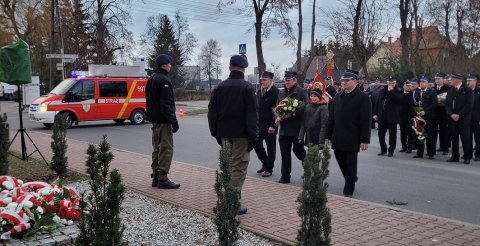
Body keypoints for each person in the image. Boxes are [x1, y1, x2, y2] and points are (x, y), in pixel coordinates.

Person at [208, 55, 259, 214]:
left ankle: (227, 197)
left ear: (230, 68)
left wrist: (215, 133)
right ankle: (232, 201)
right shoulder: (248, 87)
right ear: (243, 69)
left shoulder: (220, 87)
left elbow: (212, 112)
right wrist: (254, 136)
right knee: (239, 167)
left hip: (224, 133)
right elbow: (252, 114)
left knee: (228, 165)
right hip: (241, 134)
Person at [325, 69, 371, 198]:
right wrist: (328, 136)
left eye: (347, 80)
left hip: (353, 136)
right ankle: (351, 178)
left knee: (351, 163)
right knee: (340, 160)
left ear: (355, 81)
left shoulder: (363, 97)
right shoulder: (337, 96)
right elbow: (332, 118)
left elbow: (365, 120)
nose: (343, 82)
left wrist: (364, 140)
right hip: (338, 135)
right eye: (342, 80)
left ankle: (349, 189)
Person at [146, 54, 181, 189]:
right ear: (164, 65)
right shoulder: (164, 81)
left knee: (156, 148)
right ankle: (163, 178)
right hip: (163, 120)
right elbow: (166, 104)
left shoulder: (152, 79)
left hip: (154, 120)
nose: (171, 66)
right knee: (166, 148)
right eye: (169, 64)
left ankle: (156, 176)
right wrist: (174, 121)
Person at [275, 71, 309, 184]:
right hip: (284, 128)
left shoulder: (302, 91)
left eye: (288, 80)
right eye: (285, 80)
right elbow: (277, 106)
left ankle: (309, 167)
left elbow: (304, 106)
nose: (286, 82)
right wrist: (278, 116)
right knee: (284, 153)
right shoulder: (281, 92)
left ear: (295, 80)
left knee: (298, 150)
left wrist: (292, 114)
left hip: (296, 127)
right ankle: (285, 176)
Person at [254, 71, 279, 177]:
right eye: (261, 80)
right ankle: (265, 163)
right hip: (260, 124)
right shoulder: (260, 91)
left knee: (271, 148)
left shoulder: (276, 92)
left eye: (264, 80)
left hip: (270, 125)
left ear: (271, 80)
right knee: (256, 144)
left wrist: (273, 125)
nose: (262, 82)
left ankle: (269, 168)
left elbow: (277, 110)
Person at [445, 73, 473, 164]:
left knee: (465, 138)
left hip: (463, 118)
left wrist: (459, 115)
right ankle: (455, 155)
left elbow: (469, 104)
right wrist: (451, 114)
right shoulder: (450, 90)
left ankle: (467, 156)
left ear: (457, 80)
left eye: (452, 79)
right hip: (452, 118)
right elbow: (447, 104)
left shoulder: (467, 89)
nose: (450, 81)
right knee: (454, 138)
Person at [411, 76, 438, 159]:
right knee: (420, 135)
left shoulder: (431, 92)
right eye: (421, 82)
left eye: (424, 82)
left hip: (428, 117)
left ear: (427, 83)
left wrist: (425, 111)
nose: (422, 83)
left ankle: (430, 153)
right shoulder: (417, 92)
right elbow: (412, 103)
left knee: (429, 135)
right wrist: (415, 111)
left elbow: (434, 104)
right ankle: (420, 153)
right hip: (418, 117)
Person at [374, 76, 401, 157]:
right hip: (382, 116)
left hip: (392, 116)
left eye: (393, 83)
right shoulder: (382, 90)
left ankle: (391, 150)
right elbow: (378, 103)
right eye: (389, 83)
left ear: (395, 83)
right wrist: (375, 113)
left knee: (392, 135)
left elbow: (398, 100)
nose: (391, 84)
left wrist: (392, 91)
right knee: (380, 134)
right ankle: (383, 149)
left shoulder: (398, 91)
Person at [434, 72, 450, 155]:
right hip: (435, 112)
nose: (437, 80)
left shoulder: (447, 88)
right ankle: (435, 148)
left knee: (444, 131)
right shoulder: (433, 89)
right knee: (433, 131)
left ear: (443, 79)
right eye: (436, 79)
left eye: (438, 79)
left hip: (444, 112)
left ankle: (445, 148)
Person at [467, 74, 480, 162]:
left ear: (475, 81)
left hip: (477, 117)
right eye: (467, 81)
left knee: (478, 138)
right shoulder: (465, 91)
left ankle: (478, 155)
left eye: (470, 81)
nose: (468, 82)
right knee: (468, 138)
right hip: (467, 118)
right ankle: (469, 154)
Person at [399, 81, 414, 153]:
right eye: (407, 85)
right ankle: (404, 146)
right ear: (403, 86)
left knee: (410, 132)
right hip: (401, 116)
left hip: (410, 116)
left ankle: (410, 147)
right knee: (403, 132)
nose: (408, 87)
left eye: (409, 86)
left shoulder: (412, 94)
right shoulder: (400, 94)